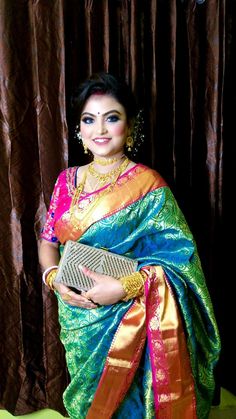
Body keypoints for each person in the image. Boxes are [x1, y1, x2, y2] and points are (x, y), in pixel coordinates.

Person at [38, 72, 221, 419]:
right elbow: (48, 242)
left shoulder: (148, 186)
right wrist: (53, 278)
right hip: (77, 314)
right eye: (89, 119)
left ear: (130, 124)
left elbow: (181, 262)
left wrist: (127, 286)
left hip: (130, 316)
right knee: (87, 399)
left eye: (112, 118)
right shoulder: (67, 181)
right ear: (79, 128)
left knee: (129, 402)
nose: (100, 130)